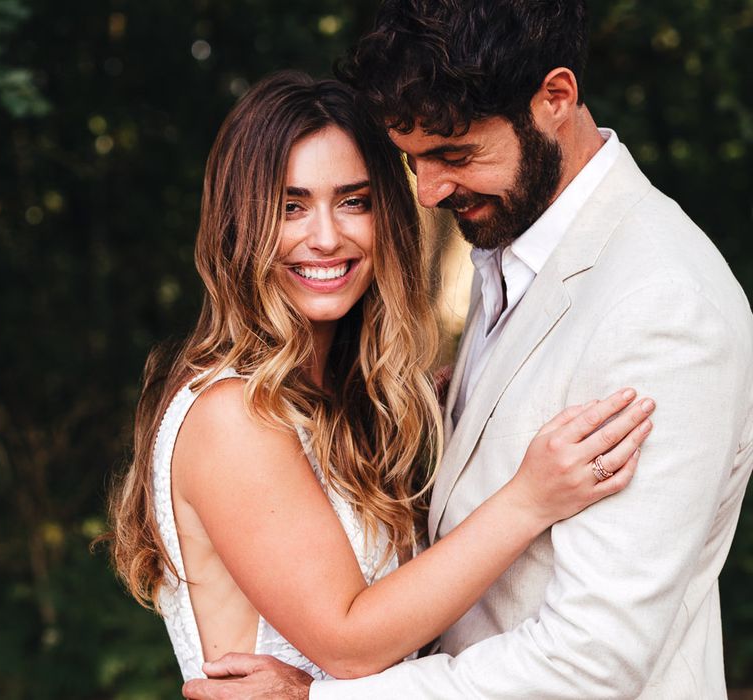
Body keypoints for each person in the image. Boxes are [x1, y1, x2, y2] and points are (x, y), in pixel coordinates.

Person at [182, 2, 753, 699]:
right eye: (412, 162)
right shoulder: (514, 245)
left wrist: (320, 698)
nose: (427, 193)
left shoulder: (661, 307)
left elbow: (596, 658)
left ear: (555, 98)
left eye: (454, 155)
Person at [106, 70, 654, 687]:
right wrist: (530, 498)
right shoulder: (232, 413)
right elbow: (348, 642)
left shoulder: (341, 403)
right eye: (290, 207)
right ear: (240, 225)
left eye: (353, 201)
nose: (326, 237)